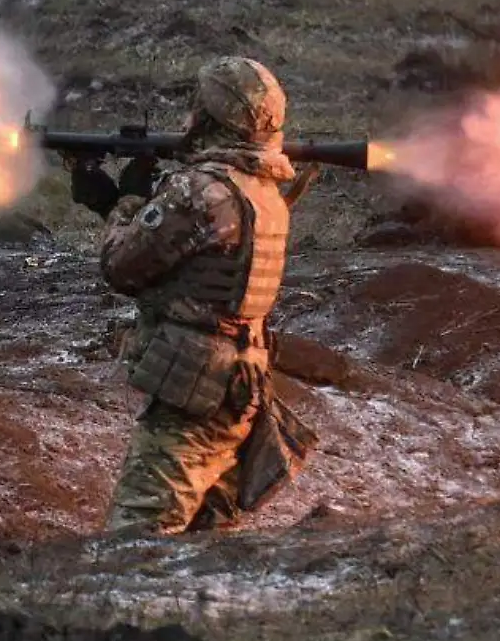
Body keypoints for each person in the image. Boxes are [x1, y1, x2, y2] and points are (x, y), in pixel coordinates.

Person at [67, 56, 317, 535]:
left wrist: (124, 200)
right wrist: (121, 207)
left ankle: (136, 609)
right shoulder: (264, 192)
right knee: (206, 538)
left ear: (209, 116)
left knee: (139, 537)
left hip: (195, 390)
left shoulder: (201, 191)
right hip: (238, 384)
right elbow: (192, 264)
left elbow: (121, 267)